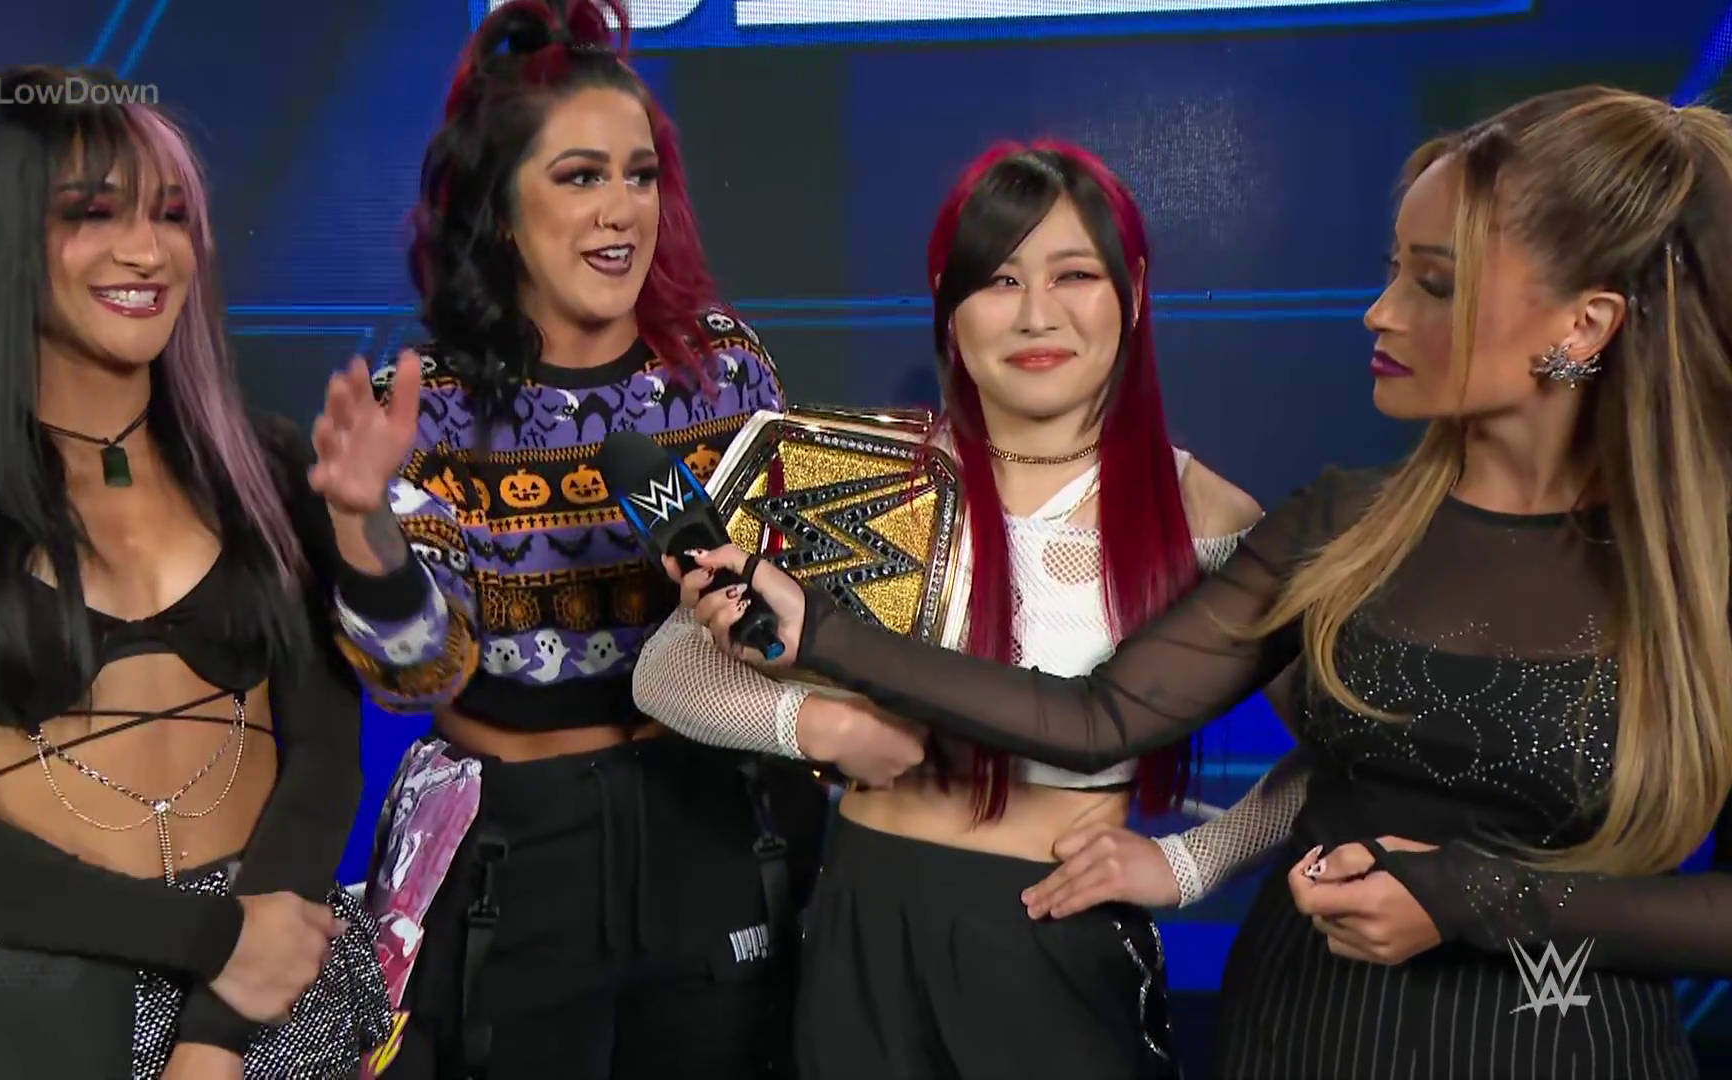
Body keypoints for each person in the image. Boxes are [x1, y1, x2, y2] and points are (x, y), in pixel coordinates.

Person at [676, 86, 1732, 1079]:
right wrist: (823, 690)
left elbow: (1255, 757)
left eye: (1435, 283)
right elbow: (1099, 719)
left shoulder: (1693, 566)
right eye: (997, 279)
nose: (1377, 312)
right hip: (1295, 1015)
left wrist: (1466, 896)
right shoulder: (1345, 524)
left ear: (1582, 326)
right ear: (947, 308)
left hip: (1556, 1033)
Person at [631, 139, 1261, 1078]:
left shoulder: (1200, 515)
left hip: (1053, 942)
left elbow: (1347, 753)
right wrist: (824, 727)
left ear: (1132, 290)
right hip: (862, 927)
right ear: (947, 300)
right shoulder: (865, 474)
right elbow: (665, 668)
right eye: (999, 280)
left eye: (1074, 274)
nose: (1037, 313)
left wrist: (1192, 863)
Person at [0, 65, 390, 1080]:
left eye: (170, 214)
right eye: (92, 213)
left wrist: (219, 1026)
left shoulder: (263, 464)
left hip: (277, 984)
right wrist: (211, 942)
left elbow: (325, 751)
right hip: (34, 995)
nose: (147, 251)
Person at [298, 2, 826, 1076]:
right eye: (580, 177)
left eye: (640, 175)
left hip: (720, 828)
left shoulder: (725, 372)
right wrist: (363, 527)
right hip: (518, 856)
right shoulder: (429, 402)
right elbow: (422, 674)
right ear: (499, 207)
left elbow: (803, 619)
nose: (619, 210)